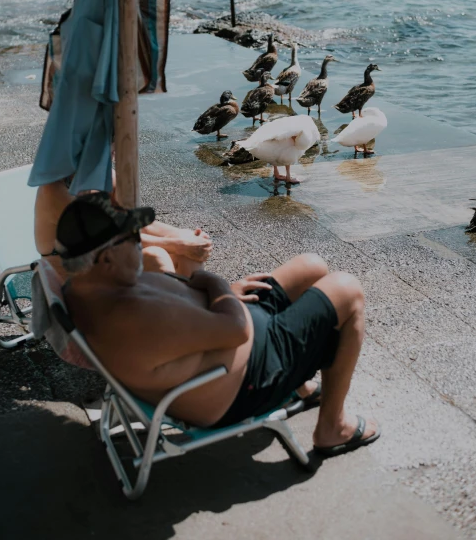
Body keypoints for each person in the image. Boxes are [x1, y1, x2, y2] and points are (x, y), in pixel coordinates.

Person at [57, 193, 379, 456]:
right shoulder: (132, 320)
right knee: (347, 289)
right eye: (131, 237)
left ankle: (302, 386)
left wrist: (223, 293)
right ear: (106, 259)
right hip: (252, 377)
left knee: (312, 266)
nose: (139, 243)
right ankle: (332, 427)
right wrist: (215, 284)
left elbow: (182, 303)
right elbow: (235, 330)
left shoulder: (86, 288)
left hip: (233, 329)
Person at [34, 178, 212, 276]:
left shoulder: (101, 176)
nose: (114, 149)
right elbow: (108, 238)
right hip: (74, 279)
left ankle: (190, 318)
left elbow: (132, 223)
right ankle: (180, 325)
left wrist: (185, 237)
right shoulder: (54, 190)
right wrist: (177, 244)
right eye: (109, 141)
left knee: (187, 244)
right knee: (156, 256)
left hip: (107, 261)